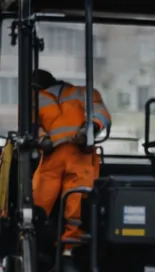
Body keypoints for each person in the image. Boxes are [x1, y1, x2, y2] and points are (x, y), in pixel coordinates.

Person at [31, 69, 110, 257]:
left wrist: (88, 129)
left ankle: (70, 252)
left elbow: (101, 115)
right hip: (52, 156)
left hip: (79, 154)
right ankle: (38, 246)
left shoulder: (85, 93)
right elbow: (30, 125)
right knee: (39, 202)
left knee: (76, 202)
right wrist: (42, 139)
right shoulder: (33, 100)